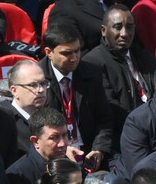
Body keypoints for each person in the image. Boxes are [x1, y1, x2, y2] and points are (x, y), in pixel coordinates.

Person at [39, 22, 113, 169]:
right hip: (54, 157)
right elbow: (36, 129)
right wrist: (61, 150)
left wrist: (99, 149)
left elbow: (104, 118)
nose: (74, 58)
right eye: (66, 53)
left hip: (88, 152)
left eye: (77, 51)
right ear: (48, 52)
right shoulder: (37, 79)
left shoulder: (91, 72)